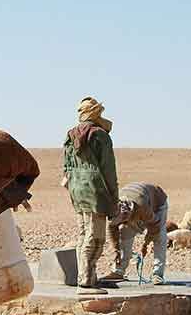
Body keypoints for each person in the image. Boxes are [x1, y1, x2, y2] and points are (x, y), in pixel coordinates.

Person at [62, 97, 119, 295]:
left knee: (83, 233)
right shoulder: (100, 135)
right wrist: (114, 198)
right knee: (96, 236)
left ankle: (87, 276)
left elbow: (66, 166)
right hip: (96, 190)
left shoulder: (71, 135)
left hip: (76, 188)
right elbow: (109, 170)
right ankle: (86, 279)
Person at [102, 183, 169, 285]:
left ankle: (157, 274)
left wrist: (145, 244)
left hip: (158, 203)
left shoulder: (142, 207)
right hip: (135, 201)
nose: (123, 223)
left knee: (159, 237)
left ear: (128, 214)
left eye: (125, 220)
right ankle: (118, 271)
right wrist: (116, 249)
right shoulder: (114, 209)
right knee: (124, 232)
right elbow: (112, 229)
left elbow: (155, 225)